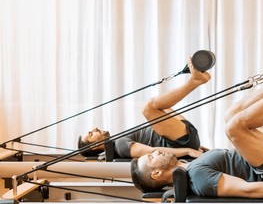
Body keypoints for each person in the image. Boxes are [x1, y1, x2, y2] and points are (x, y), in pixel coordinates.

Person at [130, 46, 263, 199]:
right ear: (156, 173)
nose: (154, 151)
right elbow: (248, 190)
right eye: (150, 157)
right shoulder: (198, 179)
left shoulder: (190, 165)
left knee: (231, 114)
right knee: (233, 127)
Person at [78, 58, 211, 159]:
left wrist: (196, 146)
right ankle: (194, 81)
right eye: (90, 134)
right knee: (148, 108)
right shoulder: (120, 145)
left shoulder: (119, 141)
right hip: (179, 143)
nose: (94, 128)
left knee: (162, 107)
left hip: (181, 136)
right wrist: (188, 151)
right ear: (94, 146)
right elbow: (151, 151)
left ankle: (195, 79)